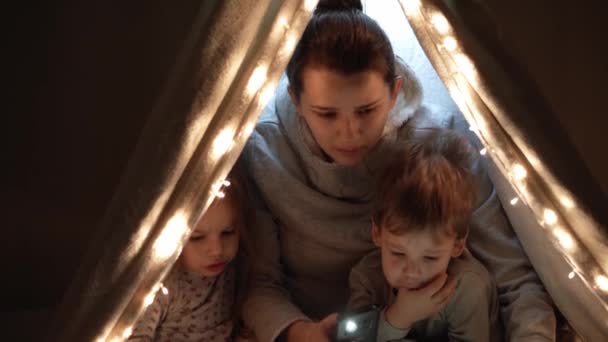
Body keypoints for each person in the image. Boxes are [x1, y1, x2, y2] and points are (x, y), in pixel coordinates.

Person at [241, 0, 556, 341]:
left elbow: (515, 279)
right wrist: (300, 332)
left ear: (394, 93)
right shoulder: (265, 151)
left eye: (366, 110)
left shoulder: (440, 145)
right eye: (327, 114)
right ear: (296, 100)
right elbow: (257, 284)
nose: (349, 133)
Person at [347, 128, 500, 341]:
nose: (412, 271)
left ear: (457, 245)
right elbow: (351, 338)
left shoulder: (467, 289)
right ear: (377, 233)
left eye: (430, 257)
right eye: (398, 253)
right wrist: (399, 317)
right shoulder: (366, 278)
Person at [129, 163, 256, 341]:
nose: (216, 250)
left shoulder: (232, 271)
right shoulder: (164, 286)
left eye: (227, 233)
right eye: (197, 238)